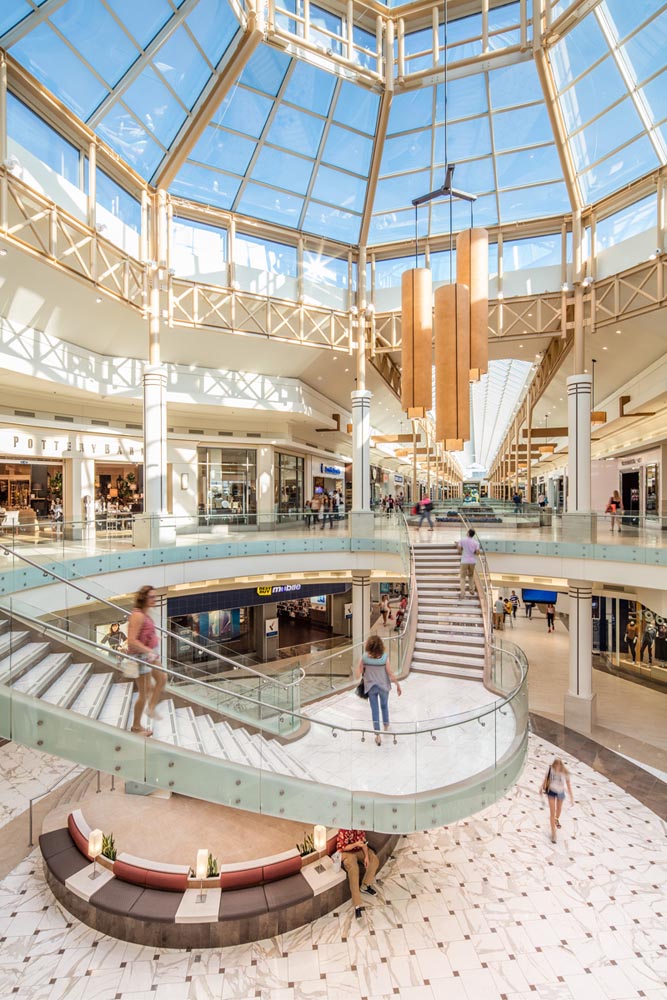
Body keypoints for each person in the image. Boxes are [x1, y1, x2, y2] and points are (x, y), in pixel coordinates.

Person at [127, 585, 167, 736]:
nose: (154, 599)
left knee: (162, 678)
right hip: (140, 657)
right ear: (143, 598)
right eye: (151, 597)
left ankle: (150, 709)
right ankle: (136, 726)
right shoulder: (138, 615)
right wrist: (149, 651)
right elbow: (131, 641)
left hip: (149, 655)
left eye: (154, 596)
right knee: (144, 692)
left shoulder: (145, 614)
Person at [357, 635, 402, 746]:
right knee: (384, 706)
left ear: (369, 646)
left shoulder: (364, 657)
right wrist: (397, 684)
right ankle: (386, 724)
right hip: (384, 687)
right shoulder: (384, 658)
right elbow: (390, 673)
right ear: (380, 646)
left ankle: (377, 734)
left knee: (375, 710)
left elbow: (359, 671)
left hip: (371, 687)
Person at [336, 828, 379, 919]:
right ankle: (357, 905)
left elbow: (363, 843)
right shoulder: (343, 829)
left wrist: (366, 856)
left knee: (374, 860)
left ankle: (365, 886)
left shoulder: (360, 827)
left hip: (358, 850)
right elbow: (342, 847)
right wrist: (355, 844)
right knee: (354, 870)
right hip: (346, 852)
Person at [541, 758, 574, 843]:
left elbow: (568, 784)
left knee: (558, 810)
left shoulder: (565, 773)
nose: (557, 766)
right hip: (551, 791)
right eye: (556, 764)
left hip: (560, 792)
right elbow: (546, 779)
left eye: (559, 765)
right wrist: (541, 788)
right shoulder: (550, 769)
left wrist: (571, 797)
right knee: (552, 812)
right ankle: (553, 832)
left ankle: (556, 820)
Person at [456, 528, 480, 599]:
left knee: (462, 577)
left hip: (464, 560)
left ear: (468, 533)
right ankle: (471, 590)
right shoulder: (476, 543)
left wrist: (460, 550)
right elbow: (477, 552)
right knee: (471, 576)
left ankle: (463, 593)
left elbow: (459, 549)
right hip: (472, 561)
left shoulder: (462, 540)